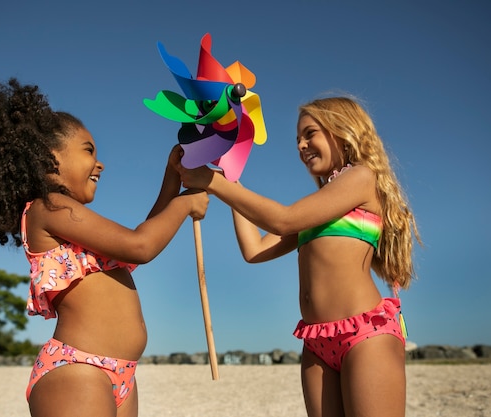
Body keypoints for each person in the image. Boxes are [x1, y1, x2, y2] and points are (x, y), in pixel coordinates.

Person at [0, 78, 209, 417]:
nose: (100, 163)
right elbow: (140, 246)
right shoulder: (48, 207)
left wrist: (172, 178)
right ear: (46, 159)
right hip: (77, 370)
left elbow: (139, 236)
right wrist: (185, 204)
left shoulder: (71, 219)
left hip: (121, 372)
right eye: (88, 150)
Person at [178, 96, 420, 417]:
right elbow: (256, 250)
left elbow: (283, 219)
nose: (301, 145)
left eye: (310, 134)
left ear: (343, 131)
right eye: (297, 139)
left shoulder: (362, 178)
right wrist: (230, 175)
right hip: (317, 340)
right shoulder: (319, 205)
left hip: (364, 334)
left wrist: (214, 183)